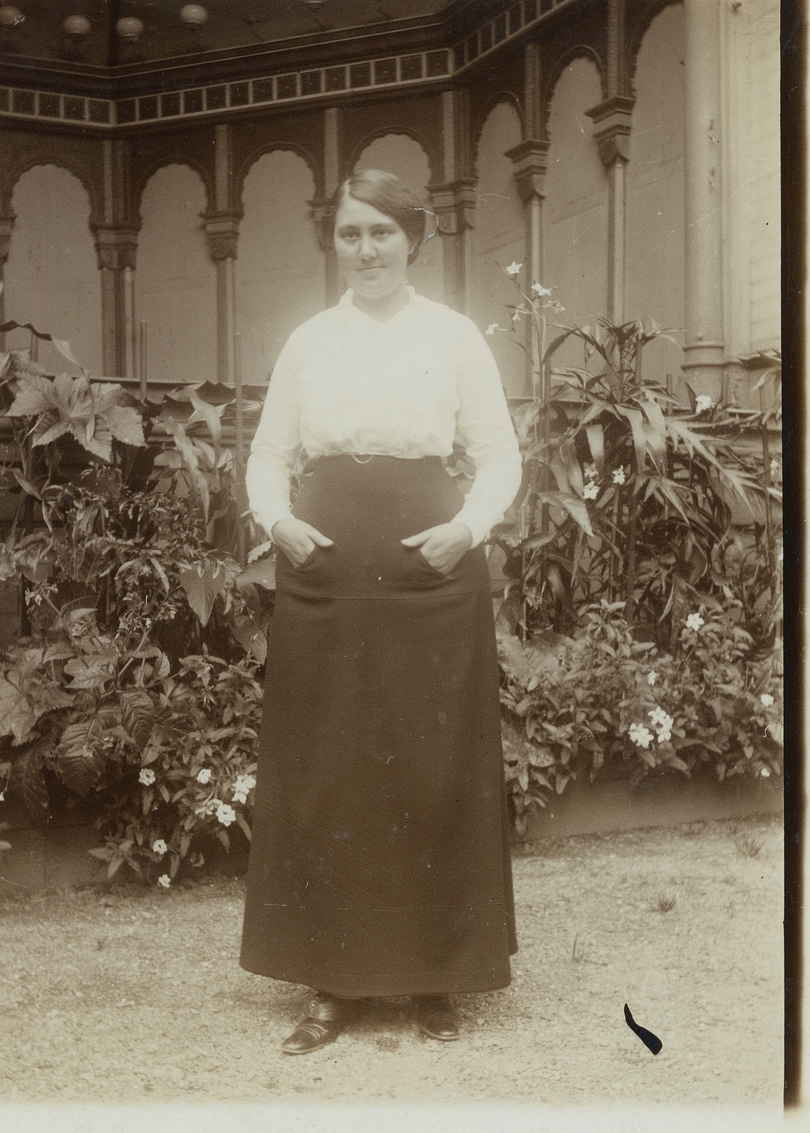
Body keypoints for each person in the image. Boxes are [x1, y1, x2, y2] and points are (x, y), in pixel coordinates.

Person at [239, 168, 522, 1055]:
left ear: (413, 239)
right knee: (330, 765)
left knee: (432, 762)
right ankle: (333, 982)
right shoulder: (308, 341)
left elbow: (500, 455)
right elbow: (267, 456)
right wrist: (278, 522)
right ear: (334, 242)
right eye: (350, 233)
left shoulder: (453, 337)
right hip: (324, 561)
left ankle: (436, 974)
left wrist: (465, 529)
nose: (365, 250)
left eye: (381, 233)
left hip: (427, 558)